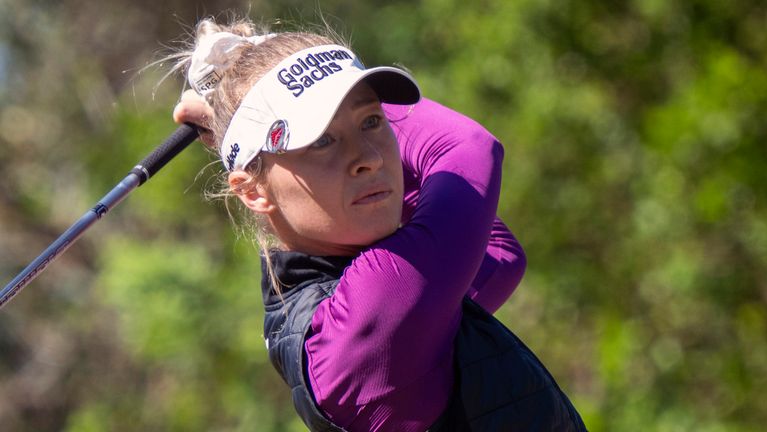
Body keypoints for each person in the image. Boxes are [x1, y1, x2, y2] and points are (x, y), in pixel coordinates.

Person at [171, 16, 586, 432]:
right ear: (253, 191)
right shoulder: (370, 314)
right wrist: (273, 58)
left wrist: (262, 80)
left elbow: (498, 254)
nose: (369, 157)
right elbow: (467, 148)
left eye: (372, 121)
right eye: (321, 140)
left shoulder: (349, 298)